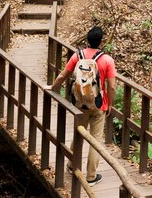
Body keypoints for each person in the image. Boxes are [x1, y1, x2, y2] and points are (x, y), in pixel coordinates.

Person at [50, 26, 116, 187]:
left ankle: (72, 164)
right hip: (98, 105)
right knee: (95, 140)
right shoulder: (107, 60)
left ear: (87, 40)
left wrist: (53, 89)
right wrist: (110, 105)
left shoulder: (77, 56)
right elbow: (112, 86)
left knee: (79, 133)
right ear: (101, 42)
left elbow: (62, 75)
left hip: (80, 103)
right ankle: (91, 176)